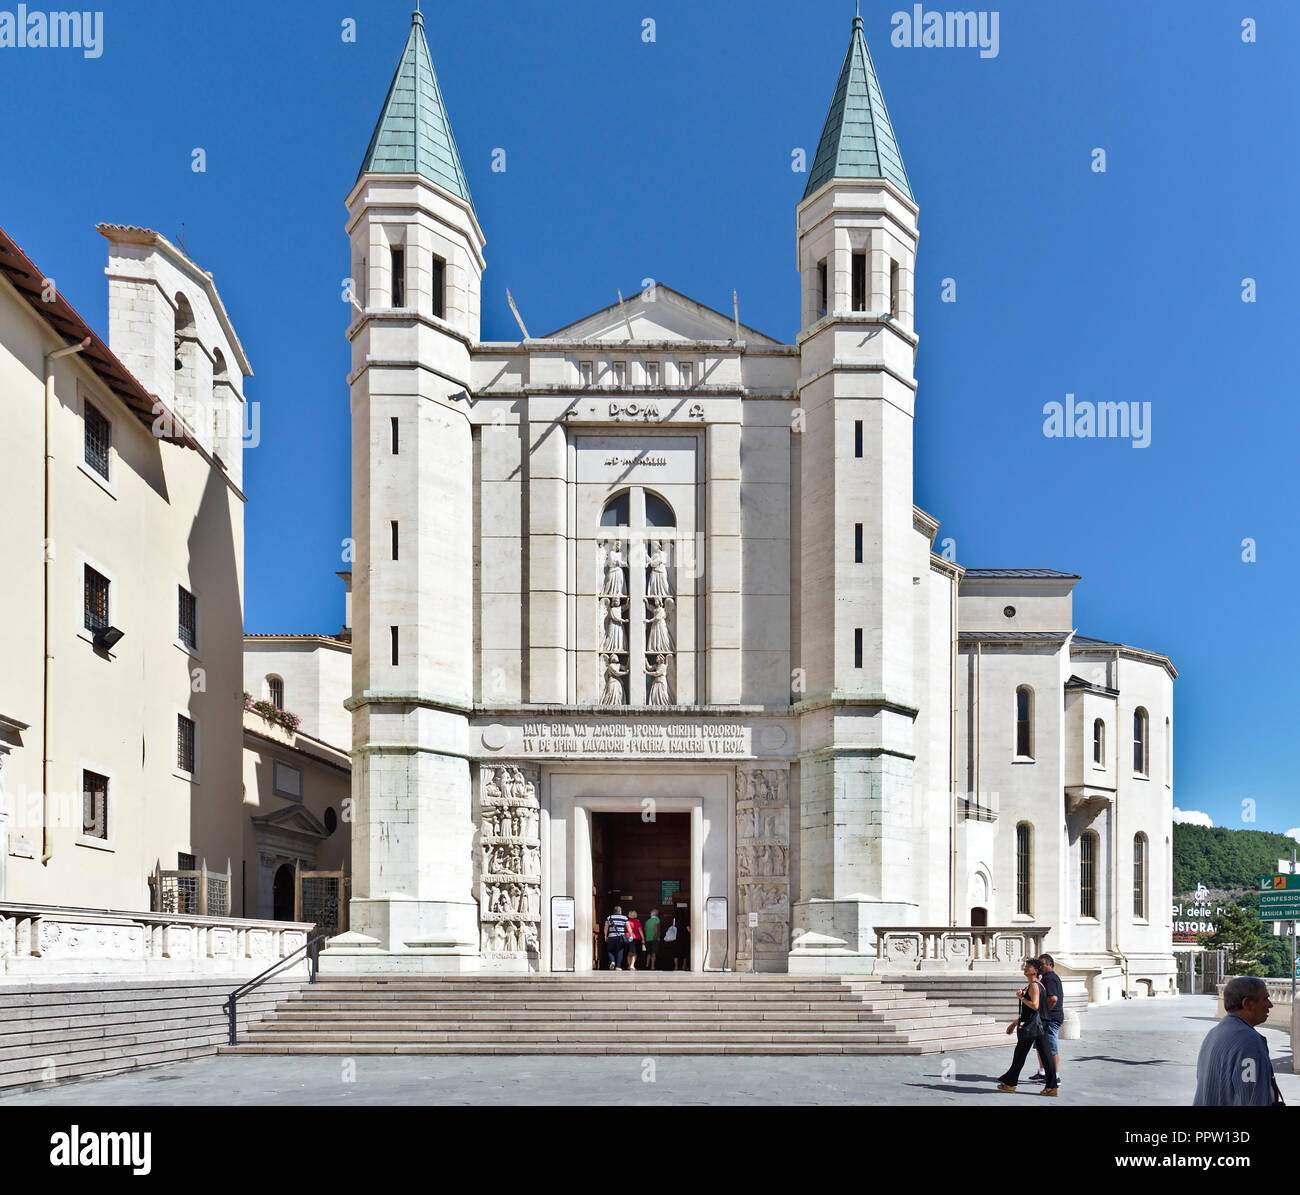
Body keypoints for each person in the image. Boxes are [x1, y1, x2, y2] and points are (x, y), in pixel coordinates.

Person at [1194, 976, 1283, 1106]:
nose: (1270, 1005)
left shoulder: (1214, 1033)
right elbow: (1251, 1098)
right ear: (1247, 1004)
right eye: (1265, 999)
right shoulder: (1249, 1041)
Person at [995, 958, 1059, 1096]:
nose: (1025, 968)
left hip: (1035, 1027)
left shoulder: (1035, 985)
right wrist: (1014, 1023)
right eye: (1026, 966)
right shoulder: (1038, 985)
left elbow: (1035, 1006)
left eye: (1029, 966)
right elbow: (1031, 1012)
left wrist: (1021, 998)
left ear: (1035, 971)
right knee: (1043, 1055)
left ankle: (1011, 1084)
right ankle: (1051, 1086)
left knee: (1022, 1054)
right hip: (1040, 1024)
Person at [1029, 953, 1065, 1085]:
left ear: (1050, 964)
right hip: (1047, 1018)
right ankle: (1043, 1072)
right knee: (1041, 1046)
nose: (1039, 967)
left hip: (1051, 1019)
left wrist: (1045, 1013)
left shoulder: (1050, 978)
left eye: (1041, 964)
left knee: (1050, 1048)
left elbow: (1053, 999)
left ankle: (1055, 1076)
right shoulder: (1046, 978)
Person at [603, 905, 629, 971]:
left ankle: (612, 961)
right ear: (620, 911)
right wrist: (630, 936)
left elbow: (606, 928)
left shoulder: (609, 918)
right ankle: (618, 966)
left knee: (610, 950)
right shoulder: (624, 918)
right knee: (620, 951)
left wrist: (605, 936)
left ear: (614, 911)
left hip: (611, 936)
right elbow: (628, 928)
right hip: (621, 937)